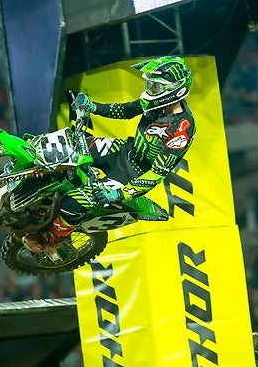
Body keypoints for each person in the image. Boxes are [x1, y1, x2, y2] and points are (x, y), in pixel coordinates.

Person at [22, 56, 196, 252]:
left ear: (175, 90)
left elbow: (157, 173)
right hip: (124, 150)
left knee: (74, 202)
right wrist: (92, 107)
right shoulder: (154, 102)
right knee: (68, 142)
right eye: (149, 84)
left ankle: (52, 240)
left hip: (134, 173)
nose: (149, 90)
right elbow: (127, 110)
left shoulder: (182, 128)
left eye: (155, 86)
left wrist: (118, 193)